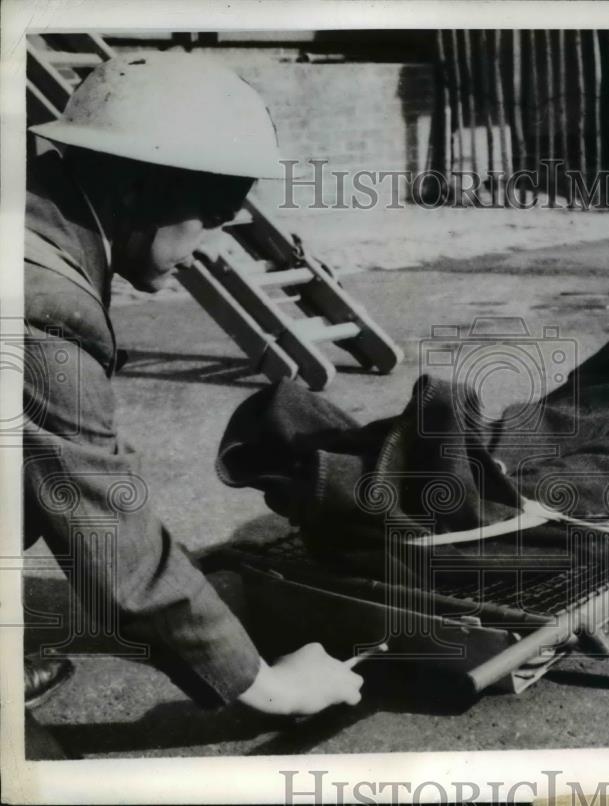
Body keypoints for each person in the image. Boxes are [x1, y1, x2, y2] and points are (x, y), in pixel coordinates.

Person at [23, 52, 363, 720]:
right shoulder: (43, 315)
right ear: (135, 189)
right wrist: (268, 686)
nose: (211, 242)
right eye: (212, 211)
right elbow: (113, 540)